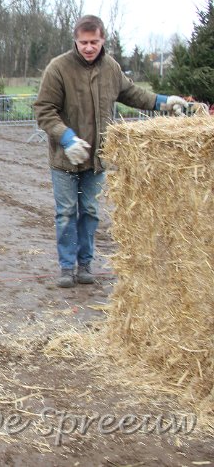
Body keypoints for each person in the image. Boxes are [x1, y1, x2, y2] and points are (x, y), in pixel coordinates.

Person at [35, 15, 187, 288]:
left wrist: (164, 102)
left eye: (94, 42)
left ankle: (85, 265)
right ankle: (67, 267)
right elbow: (44, 111)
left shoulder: (111, 68)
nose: (89, 47)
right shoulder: (58, 68)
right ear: (76, 41)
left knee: (90, 211)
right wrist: (67, 138)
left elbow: (133, 94)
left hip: (96, 158)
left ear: (103, 39)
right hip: (65, 159)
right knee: (67, 212)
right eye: (83, 42)